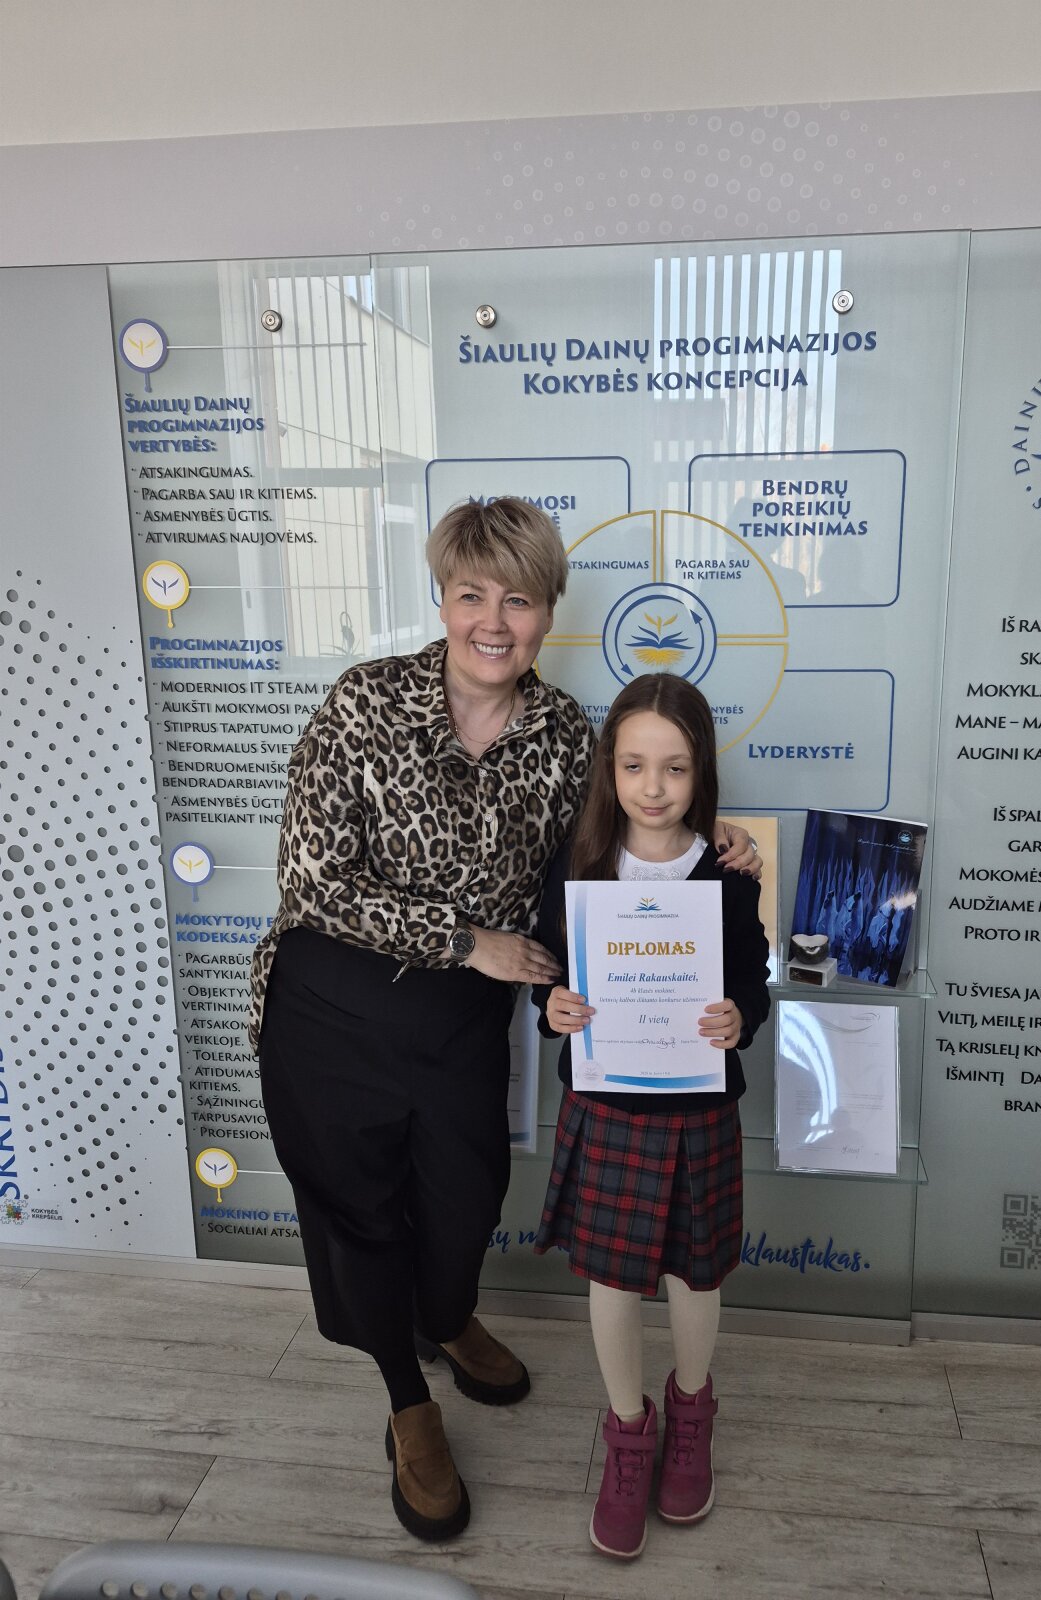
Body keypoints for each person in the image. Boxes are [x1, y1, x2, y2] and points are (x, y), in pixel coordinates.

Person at [247, 498, 759, 1542]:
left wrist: (724, 845)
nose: (493, 620)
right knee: (360, 1214)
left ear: (547, 613)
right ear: (441, 598)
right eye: (471, 594)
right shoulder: (363, 702)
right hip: (331, 1004)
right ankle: (408, 1403)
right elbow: (313, 881)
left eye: (517, 600)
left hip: (458, 1024)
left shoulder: (567, 733)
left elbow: (614, 850)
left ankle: (446, 1315)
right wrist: (465, 940)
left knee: (464, 1199)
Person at [531, 673, 771, 1560]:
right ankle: (628, 1435)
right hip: (608, 1103)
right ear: (610, 768)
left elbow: (752, 981)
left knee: (695, 1275)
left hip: (697, 1106)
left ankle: (692, 1414)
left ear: (700, 771)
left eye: (674, 767)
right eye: (634, 765)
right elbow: (550, 970)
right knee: (611, 1277)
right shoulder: (579, 862)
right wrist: (552, 1006)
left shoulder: (727, 870)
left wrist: (741, 1017)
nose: (654, 786)